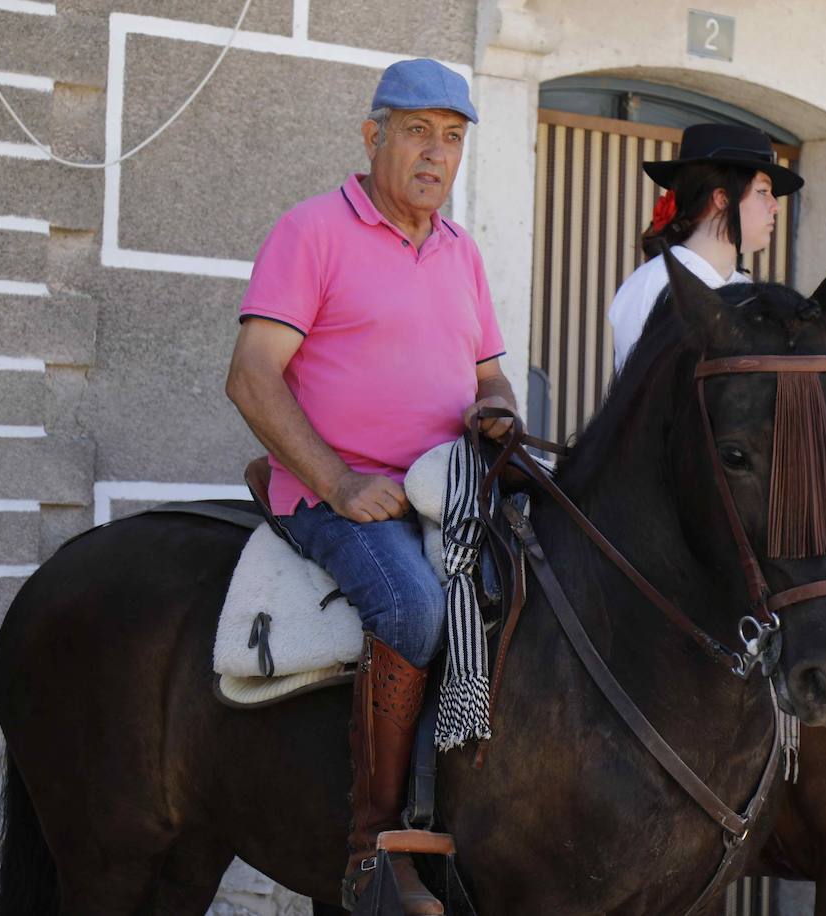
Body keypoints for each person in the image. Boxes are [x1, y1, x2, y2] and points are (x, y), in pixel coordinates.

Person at [225, 58, 515, 915]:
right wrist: (341, 483)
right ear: (372, 135)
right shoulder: (312, 230)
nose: (436, 154)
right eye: (418, 131)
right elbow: (252, 376)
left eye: (453, 138)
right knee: (417, 609)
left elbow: (489, 376)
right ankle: (372, 852)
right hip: (334, 492)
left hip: (447, 485)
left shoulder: (462, 253)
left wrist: (496, 411)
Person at [606, 122, 804, 372]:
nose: (775, 206)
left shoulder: (749, 293)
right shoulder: (654, 284)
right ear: (722, 199)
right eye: (763, 191)